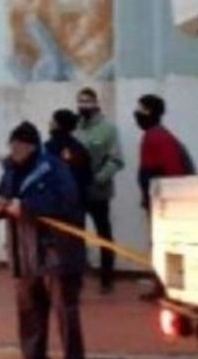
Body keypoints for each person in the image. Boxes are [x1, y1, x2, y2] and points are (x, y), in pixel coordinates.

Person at [0, 122, 87, 359]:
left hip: (57, 255)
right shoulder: (10, 171)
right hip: (25, 257)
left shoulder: (54, 168)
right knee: (30, 318)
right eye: (12, 145)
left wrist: (27, 207)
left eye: (19, 145)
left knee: (66, 316)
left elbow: (67, 202)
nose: (14, 150)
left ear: (32, 146)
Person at [134, 93, 194, 301]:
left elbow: (171, 171)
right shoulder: (160, 135)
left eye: (141, 109)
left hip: (162, 202)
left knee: (161, 243)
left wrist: (162, 201)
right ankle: (163, 284)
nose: (137, 114)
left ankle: (163, 286)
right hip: (159, 199)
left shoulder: (155, 137)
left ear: (150, 112)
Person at [75, 88, 123, 294]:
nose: (84, 105)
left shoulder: (108, 129)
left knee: (104, 234)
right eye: (80, 101)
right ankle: (76, 277)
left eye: (88, 101)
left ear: (96, 103)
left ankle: (107, 279)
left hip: (98, 191)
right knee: (75, 236)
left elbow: (116, 159)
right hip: (76, 192)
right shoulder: (74, 128)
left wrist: (99, 178)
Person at [43, 109, 93, 218]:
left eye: (52, 120)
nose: (49, 123)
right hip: (77, 204)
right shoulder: (80, 148)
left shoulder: (48, 148)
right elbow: (88, 178)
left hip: (52, 205)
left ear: (58, 124)